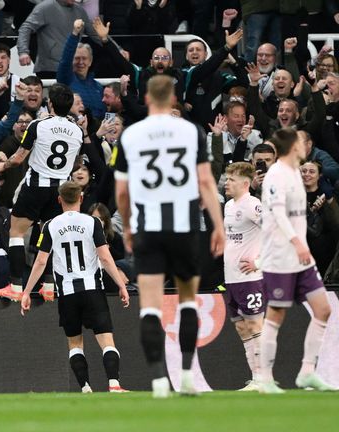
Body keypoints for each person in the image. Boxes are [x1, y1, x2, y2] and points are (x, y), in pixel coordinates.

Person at [114, 75, 225, 398]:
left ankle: (160, 381)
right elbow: (206, 182)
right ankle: (188, 375)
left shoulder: (132, 135)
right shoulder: (191, 131)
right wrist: (217, 225)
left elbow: (122, 191)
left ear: (147, 98)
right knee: (187, 301)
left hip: (149, 227)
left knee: (150, 306)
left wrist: (130, 224)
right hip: (185, 227)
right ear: (174, 98)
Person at [20, 181, 130, 393]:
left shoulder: (50, 225)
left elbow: (41, 261)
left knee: (75, 343)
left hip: (68, 293)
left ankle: (85, 388)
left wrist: (26, 292)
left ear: (59, 199)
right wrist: (120, 285)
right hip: (92, 290)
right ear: (80, 198)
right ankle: (114, 384)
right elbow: (105, 258)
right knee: (106, 340)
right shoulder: (93, 222)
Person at [258, 129, 336, 393]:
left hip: (301, 259)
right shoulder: (276, 174)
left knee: (323, 309)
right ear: (292, 146)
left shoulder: (294, 172)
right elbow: (279, 214)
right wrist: (297, 242)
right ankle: (265, 378)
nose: (306, 145)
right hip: (280, 257)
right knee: (276, 314)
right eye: (301, 141)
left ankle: (307, 372)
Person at [0, 83, 83, 302]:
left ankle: (15, 286)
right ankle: (49, 285)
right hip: (60, 189)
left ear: (49, 103)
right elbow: (77, 164)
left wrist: (2, 165)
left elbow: (19, 158)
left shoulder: (38, 125)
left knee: (16, 232)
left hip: (35, 186)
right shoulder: (77, 130)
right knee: (52, 235)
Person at [222, 162, 266, 391]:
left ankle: (263, 378)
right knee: (241, 328)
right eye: (227, 178)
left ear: (245, 183)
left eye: (231, 179)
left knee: (255, 324)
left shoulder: (253, 205)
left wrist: (259, 262)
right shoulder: (229, 206)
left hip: (251, 278)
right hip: (232, 278)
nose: (226, 182)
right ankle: (256, 376)